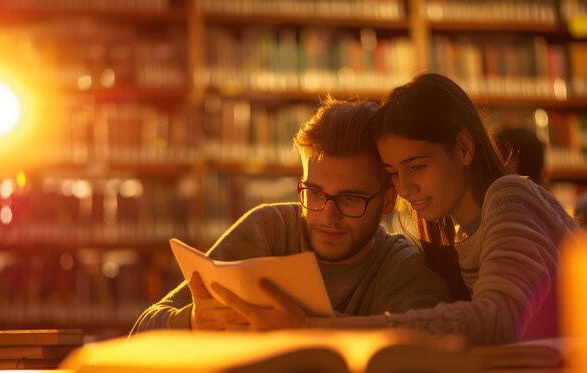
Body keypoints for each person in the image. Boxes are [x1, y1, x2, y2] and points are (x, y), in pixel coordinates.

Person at [209, 74, 578, 346]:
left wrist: (307, 327)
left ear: (464, 149)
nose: (405, 188)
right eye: (393, 173)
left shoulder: (510, 196)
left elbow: (496, 319)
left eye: (417, 166)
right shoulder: (454, 232)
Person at [130, 97, 450, 333]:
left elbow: (427, 349)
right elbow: (139, 334)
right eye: (314, 193)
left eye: (350, 199)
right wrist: (192, 321)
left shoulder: (404, 266)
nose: (327, 216)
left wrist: (306, 326)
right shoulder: (269, 230)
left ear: (388, 200)